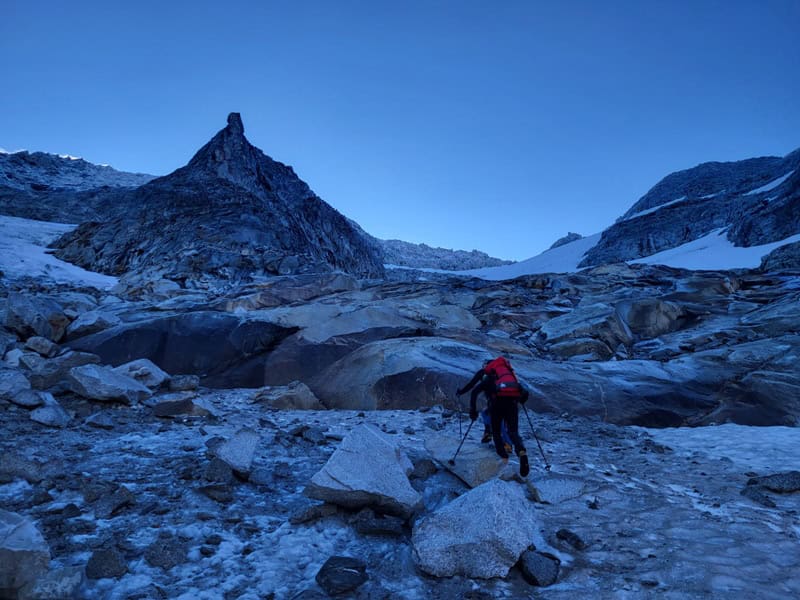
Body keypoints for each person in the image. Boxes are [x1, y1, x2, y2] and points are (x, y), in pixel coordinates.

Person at [457, 357, 530, 477]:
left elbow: (474, 390)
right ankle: (521, 451)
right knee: (513, 431)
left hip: (496, 405)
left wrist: (472, 410)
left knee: (496, 431)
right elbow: (523, 391)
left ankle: (503, 457)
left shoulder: (486, 375)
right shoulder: (509, 374)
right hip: (512, 404)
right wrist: (520, 401)